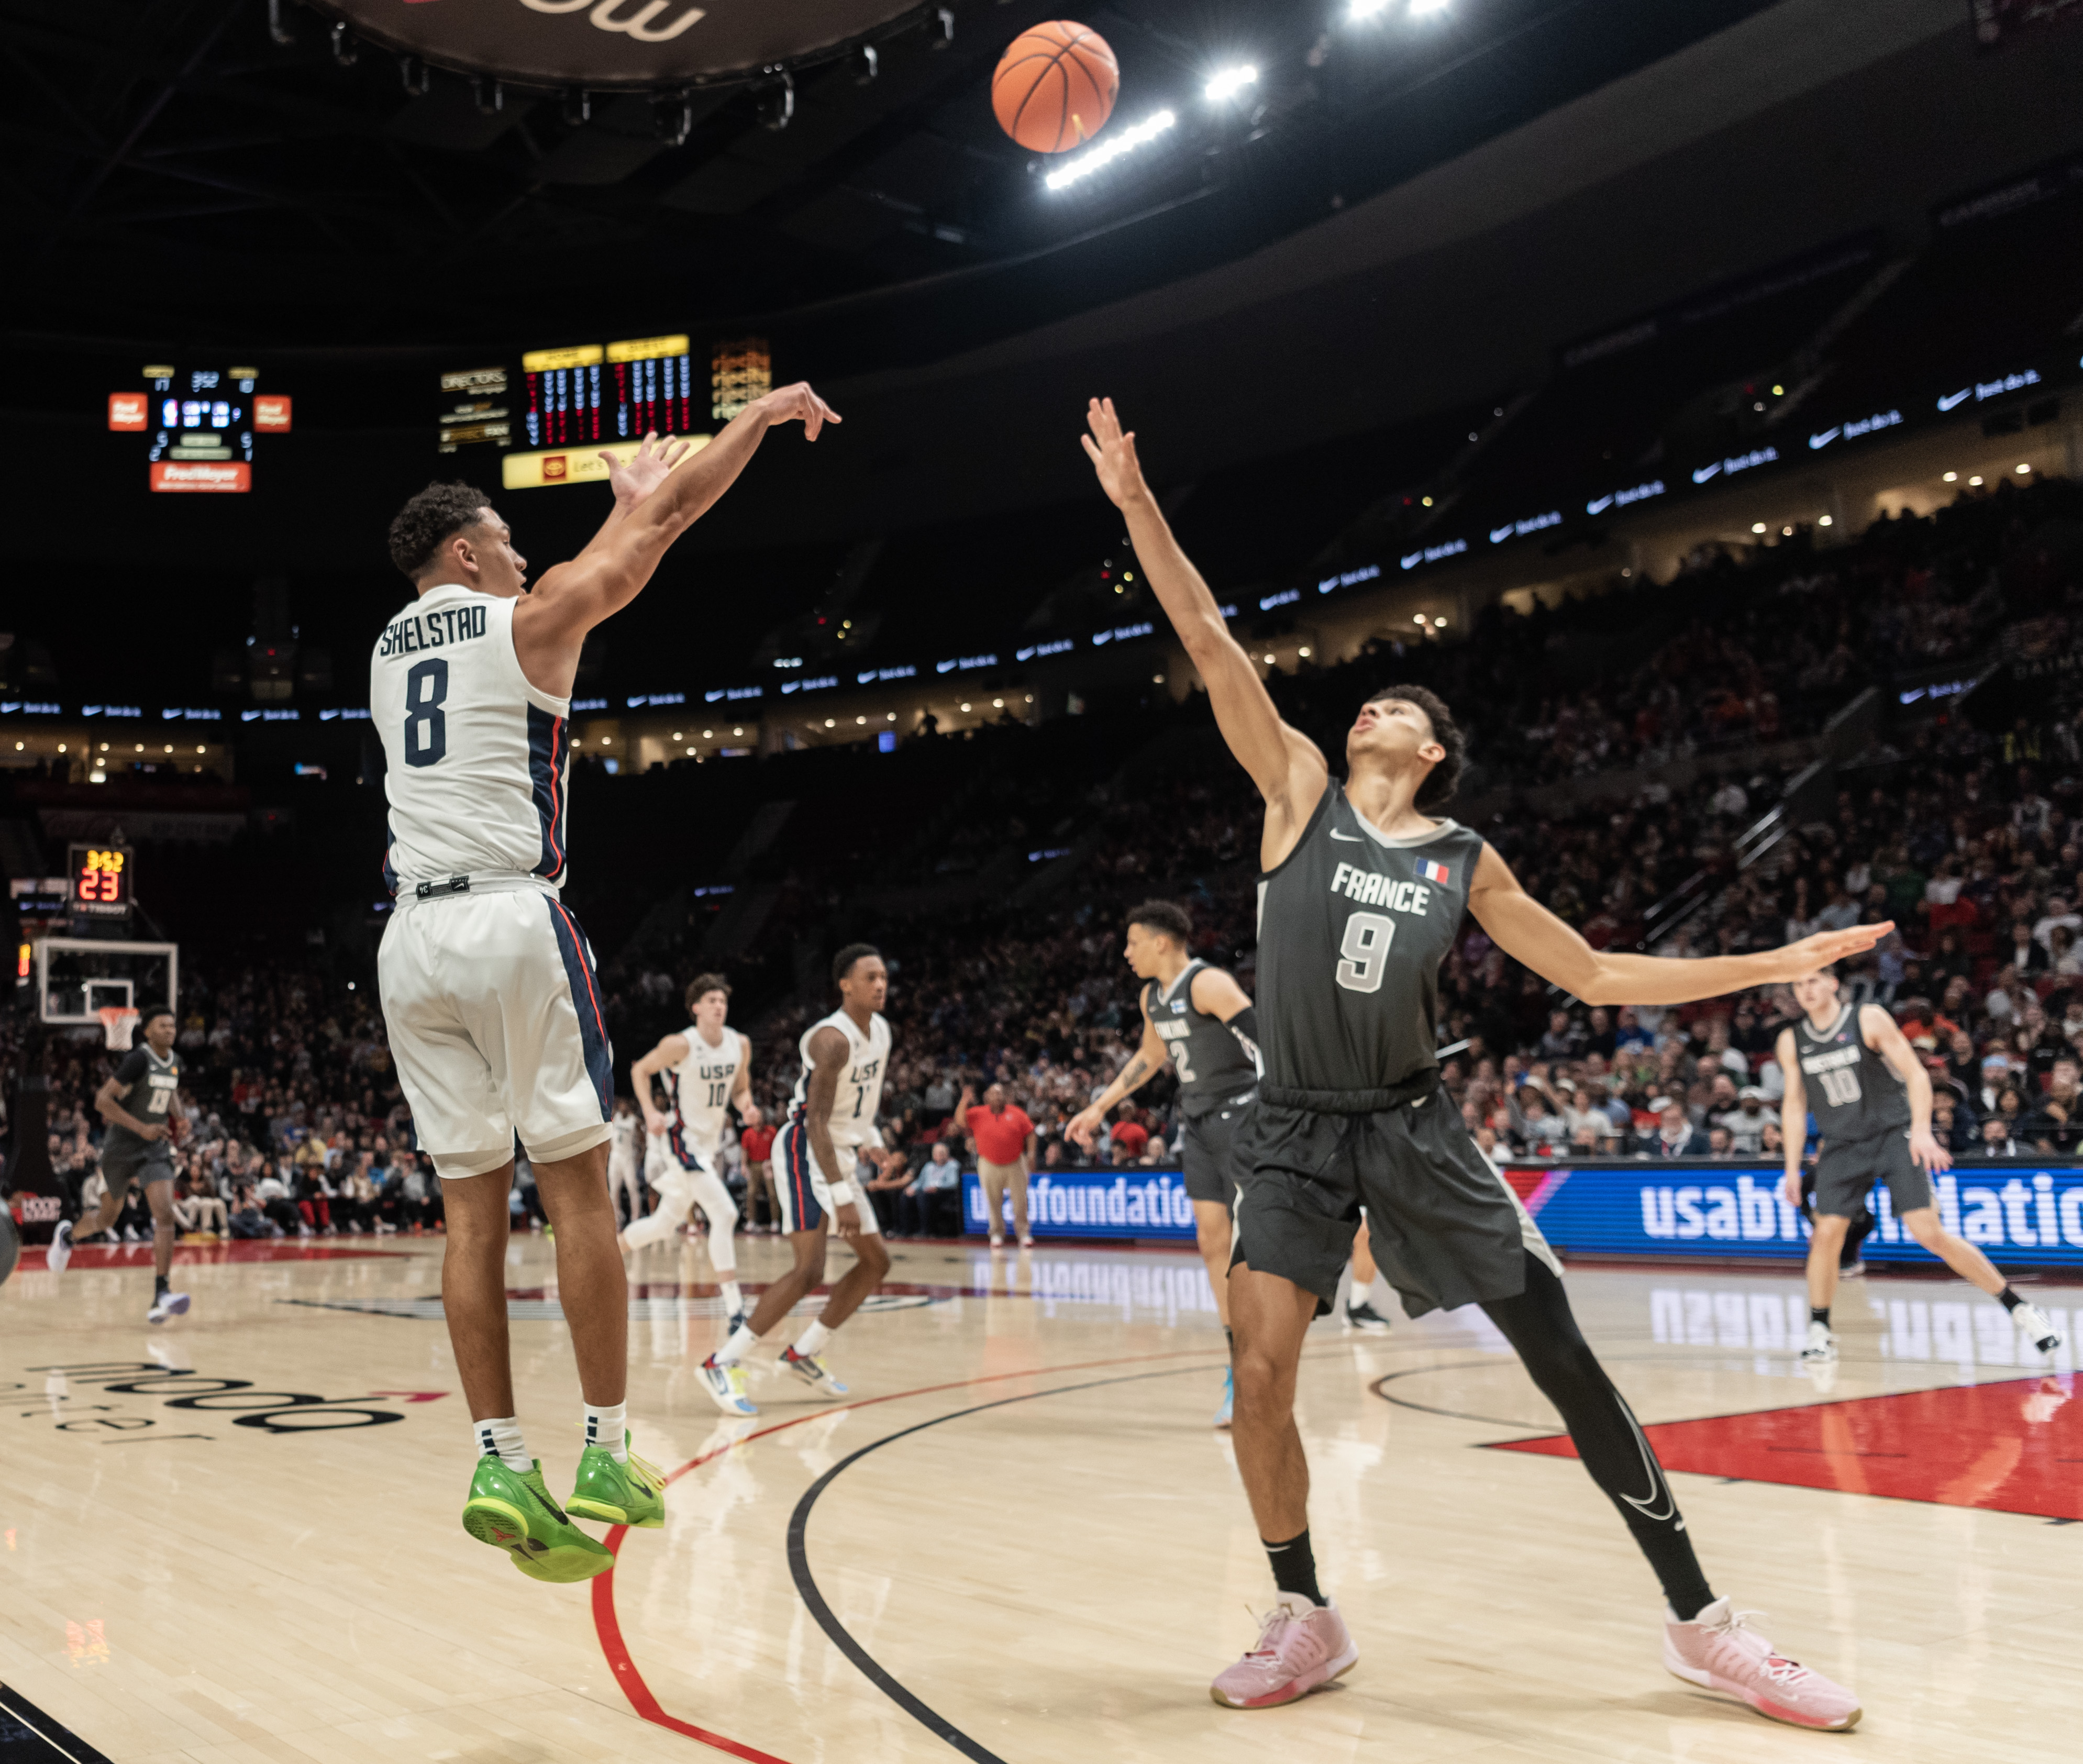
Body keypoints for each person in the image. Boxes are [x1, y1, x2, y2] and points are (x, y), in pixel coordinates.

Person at [1081, 394, 1880, 1728]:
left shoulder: (1464, 858)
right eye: (1369, 699)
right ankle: (1304, 1610)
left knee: (1561, 1357)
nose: (1372, 705)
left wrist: (1769, 960)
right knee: (1261, 1370)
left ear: (1431, 750)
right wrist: (1136, 507)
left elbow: (1605, 975)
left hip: (1410, 1126)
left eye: (1400, 703)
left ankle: (1705, 1622)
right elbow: (1209, 638)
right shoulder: (1295, 792)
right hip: (1288, 1128)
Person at [371, 385, 838, 1582]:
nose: (529, 559)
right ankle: (605, 1447)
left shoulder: (383, 653)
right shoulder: (526, 619)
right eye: (510, 544)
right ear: (467, 552)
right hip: (507, 917)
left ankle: (495, 1459)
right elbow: (673, 515)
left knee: (471, 1213)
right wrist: (762, 419)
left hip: (406, 944)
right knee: (579, 1195)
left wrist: (618, 520)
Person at [1777, 967, 2061, 1366]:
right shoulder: (1792, 1040)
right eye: (1799, 982)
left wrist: (1922, 1129)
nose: (1805, 989)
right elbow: (1793, 1104)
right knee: (1825, 1234)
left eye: (1812, 980)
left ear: (1832, 983)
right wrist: (1791, 1167)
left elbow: (1914, 1073)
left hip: (1893, 1133)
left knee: (1928, 1231)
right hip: (1842, 1144)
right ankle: (1820, 1328)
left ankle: (2021, 1308)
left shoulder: (1867, 1017)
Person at [1068, 898, 1260, 1425]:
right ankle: (1237, 1365)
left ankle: (1263, 1364)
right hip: (1196, 1124)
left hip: (1243, 1119)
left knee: (1253, 1250)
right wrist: (1098, 1107)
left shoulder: (1209, 984)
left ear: (1161, 942)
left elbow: (1268, 1042)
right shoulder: (1153, 996)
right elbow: (1151, 1058)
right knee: (1210, 1243)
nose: (1126, 953)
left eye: (1132, 943)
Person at [700, 945, 896, 1415]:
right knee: (809, 1269)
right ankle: (720, 1362)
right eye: (870, 977)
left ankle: (804, 1351)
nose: (881, 984)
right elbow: (816, 1123)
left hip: (838, 1148)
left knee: (875, 1262)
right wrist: (844, 1196)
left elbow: (860, 1103)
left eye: (884, 976)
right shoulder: (831, 1039)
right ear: (845, 984)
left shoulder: (882, 1031)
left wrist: (871, 1137)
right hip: (804, 1149)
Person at [624, 974, 757, 1332]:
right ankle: (734, 1309)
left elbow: (741, 1087)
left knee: (664, 1224)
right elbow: (640, 1070)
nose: (719, 1006)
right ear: (696, 1007)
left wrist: (747, 1107)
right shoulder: (681, 1043)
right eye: (711, 1000)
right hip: (682, 1143)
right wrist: (651, 1112)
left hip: (708, 1145)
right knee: (725, 1214)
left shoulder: (739, 1043)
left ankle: (608, 1251)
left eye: (723, 1001)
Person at [48, 1005, 190, 1324]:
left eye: (172, 1025)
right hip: (121, 1149)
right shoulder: (138, 1059)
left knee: (165, 1213)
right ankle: (68, 1237)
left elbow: (170, 1091)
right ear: (148, 1031)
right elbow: (102, 1101)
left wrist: (180, 1117)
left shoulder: (175, 1062)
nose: (170, 1030)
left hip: (154, 1148)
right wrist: (140, 1128)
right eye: (163, 1026)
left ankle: (162, 1294)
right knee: (107, 1219)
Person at [957, 1081, 1037, 1248]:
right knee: (993, 1201)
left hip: (1015, 1162)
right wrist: (964, 1101)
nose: (997, 1096)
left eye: (1000, 1093)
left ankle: (1023, 1234)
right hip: (989, 1162)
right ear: (987, 1097)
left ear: (1005, 1097)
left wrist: (1031, 1155)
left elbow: (1031, 1133)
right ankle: (996, 1234)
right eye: (993, 1093)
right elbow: (960, 1122)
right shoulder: (978, 1113)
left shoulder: (1017, 1113)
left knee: (1021, 1200)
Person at [901, 1141, 962, 1237]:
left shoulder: (953, 1165)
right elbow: (920, 1182)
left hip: (943, 1193)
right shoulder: (929, 1166)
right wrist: (912, 1188)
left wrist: (937, 1188)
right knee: (906, 1196)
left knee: (923, 1196)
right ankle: (907, 1230)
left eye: (942, 1153)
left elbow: (954, 1183)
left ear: (947, 1154)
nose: (939, 1156)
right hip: (926, 1192)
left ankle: (926, 1230)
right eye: (936, 1154)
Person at [606, 1097, 646, 1229]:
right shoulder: (615, 1117)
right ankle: (617, 1220)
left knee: (632, 1188)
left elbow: (642, 1139)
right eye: (621, 1105)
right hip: (615, 1157)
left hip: (628, 1156)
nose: (623, 1107)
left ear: (629, 1107)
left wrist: (640, 1155)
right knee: (614, 1190)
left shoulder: (634, 1121)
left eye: (625, 1105)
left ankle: (635, 1219)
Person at [740, 1115, 778, 1232]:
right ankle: (751, 1221)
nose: (759, 1123)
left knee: (773, 1193)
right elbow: (745, 1151)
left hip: (769, 1164)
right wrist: (744, 1165)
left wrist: (773, 1162)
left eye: (761, 1120)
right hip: (754, 1165)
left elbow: (777, 1148)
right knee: (751, 1193)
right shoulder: (748, 1134)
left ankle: (775, 1222)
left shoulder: (772, 1131)